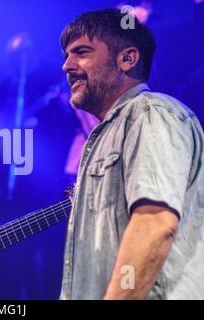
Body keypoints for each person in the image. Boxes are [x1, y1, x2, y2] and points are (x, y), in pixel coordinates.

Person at [59, 9, 204, 299]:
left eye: (81, 52)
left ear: (127, 59)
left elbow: (155, 222)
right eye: (66, 55)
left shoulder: (150, 112)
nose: (66, 66)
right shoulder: (103, 137)